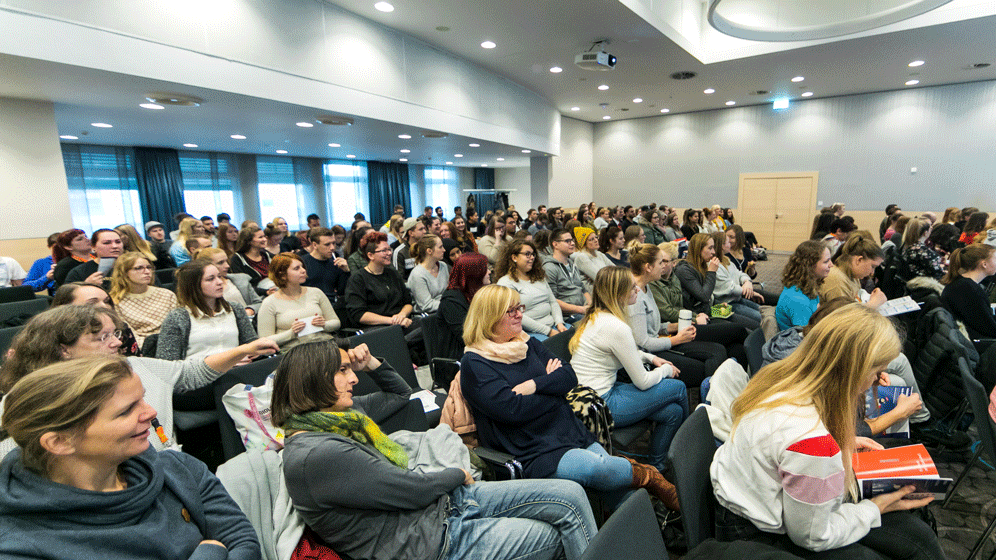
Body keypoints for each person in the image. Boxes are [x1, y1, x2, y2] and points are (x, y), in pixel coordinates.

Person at [271, 340, 596, 560]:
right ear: (313, 379)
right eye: (343, 370)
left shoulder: (344, 418)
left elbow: (401, 394)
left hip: (440, 508)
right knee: (552, 535)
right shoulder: (317, 452)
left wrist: (371, 363)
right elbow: (408, 491)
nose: (353, 378)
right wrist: (457, 474)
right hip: (428, 542)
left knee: (569, 495)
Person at [711, 304, 943, 559]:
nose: (878, 380)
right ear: (853, 372)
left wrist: (841, 442)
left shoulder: (781, 380)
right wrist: (874, 509)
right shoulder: (812, 441)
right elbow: (812, 535)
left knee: (915, 537)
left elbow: (783, 442)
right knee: (910, 544)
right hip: (755, 532)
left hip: (743, 504)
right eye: (876, 371)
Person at [0, 356, 261, 560]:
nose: (151, 412)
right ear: (59, 442)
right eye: (126, 411)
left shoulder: (178, 469)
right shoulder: (18, 543)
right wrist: (210, 553)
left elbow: (243, 541)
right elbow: (228, 546)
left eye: (142, 399)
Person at [460, 284, 680, 511]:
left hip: (565, 428)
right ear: (490, 317)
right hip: (527, 447)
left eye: (519, 307)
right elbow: (513, 410)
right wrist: (554, 391)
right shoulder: (476, 363)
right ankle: (649, 477)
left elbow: (568, 377)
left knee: (611, 482)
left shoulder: (526, 343)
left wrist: (535, 384)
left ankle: (635, 527)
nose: (520, 314)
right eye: (511, 311)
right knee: (598, 469)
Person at [0, 305, 278, 456]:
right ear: (63, 349)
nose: (115, 344)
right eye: (102, 338)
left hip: (164, 466)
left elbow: (190, 372)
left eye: (114, 334)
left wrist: (242, 350)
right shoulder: (29, 397)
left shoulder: (134, 366)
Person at [570, 266, 687, 471]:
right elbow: (642, 382)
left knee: (673, 412)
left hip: (588, 398)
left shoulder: (597, 316)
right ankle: (687, 454)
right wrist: (666, 370)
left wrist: (652, 358)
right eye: (632, 287)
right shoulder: (616, 327)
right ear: (619, 293)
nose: (637, 290)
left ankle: (657, 466)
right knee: (678, 388)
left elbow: (624, 350)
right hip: (602, 405)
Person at [629, 242, 731, 387]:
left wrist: (674, 327)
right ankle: (710, 400)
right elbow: (644, 342)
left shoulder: (646, 287)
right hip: (650, 355)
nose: (663, 267)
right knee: (706, 363)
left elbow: (653, 327)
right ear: (648, 267)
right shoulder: (636, 296)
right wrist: (676, 340)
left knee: (721, 349)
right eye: (660, 263)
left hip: (662, 340)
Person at [156, 259, 260, 361]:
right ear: (194, 285)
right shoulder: (177, 317)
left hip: (237, 372)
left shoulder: (235, 308)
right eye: (210, 279)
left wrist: (252, 352)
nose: (219, 282)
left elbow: (251, 344)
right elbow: (167, 364)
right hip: (198, 375)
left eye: (219, 277)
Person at [344, 231, 419, 337]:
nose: (389, 253)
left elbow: (407, 303)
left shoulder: (392, 273)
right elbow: (359, 315)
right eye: (384, 250)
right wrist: (392, 320)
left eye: (389, 249)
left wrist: (401, 315)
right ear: (370, 255)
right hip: (377, 328)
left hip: (400, 322)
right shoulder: (358, 279)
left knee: (427, 327)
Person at [258, 252, 340, 349]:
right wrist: (291, 333)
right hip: (294, 351)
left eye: (302, 267)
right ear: (282, 275)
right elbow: (265, 341)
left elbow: (336, 322)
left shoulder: (316, 292)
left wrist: (324, 324)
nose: (303, 271)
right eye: (296, 268)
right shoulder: (269, 303)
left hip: (324, 344)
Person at [675, 233, 755, 329]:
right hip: (699, 317)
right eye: (710, 248)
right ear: (699, 249)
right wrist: (711, 272)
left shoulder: (702, 265)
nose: (713, 252)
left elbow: (709, 296)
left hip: (711, 309)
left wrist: (717, 304)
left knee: (753, 325)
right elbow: (704, 296)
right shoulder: (684, 270)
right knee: (740, 330)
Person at [495, 239, 568, 339]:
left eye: (533, 254)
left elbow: (553, 302)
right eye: (527, 254)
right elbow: (515, 315)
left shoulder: (539, 277)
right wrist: (548, 331)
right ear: (514, 257)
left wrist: (559, 323)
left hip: (554, 327)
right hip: (530, 332)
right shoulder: (505, 283)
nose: (532, 258)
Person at [50, 282, 143, 356]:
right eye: (92, 303)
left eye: (106, 301)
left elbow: (137, 365)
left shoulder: (121, 328)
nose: (104, 306)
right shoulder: (51, 335)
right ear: (65, 307)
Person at [108, 251, 177, 346]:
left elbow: (177, 326)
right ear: (124, 272)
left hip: (173, 342)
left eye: (149, 267)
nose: (147, 272)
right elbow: (129, 335)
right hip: (142, 347)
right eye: (139, 268)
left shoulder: (167, 294)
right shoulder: (115, 301)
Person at [438, 252, 489, 359]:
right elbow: (467, 337)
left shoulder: (481, 293)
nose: (489, 272)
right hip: (462, 355)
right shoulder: (451, 301)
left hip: (483, 348)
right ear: (474, 274)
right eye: (485, 269)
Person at [940, 243, 996, 339]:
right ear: (984, 264)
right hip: (973, 344)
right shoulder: (969, 290)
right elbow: (989, 329)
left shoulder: (963, 284)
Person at [775, 240, 833, 330]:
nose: (831, 265)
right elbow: (807, 337)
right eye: (826, 262)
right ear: (809, 266)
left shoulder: (805, 287)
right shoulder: (798, 301)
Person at [711, 231, 763, 328]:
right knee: (761, 319)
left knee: (765, 312)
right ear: (722, 246)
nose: (730, 243)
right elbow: (728, 287)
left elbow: (740, 274)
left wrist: (747, 282)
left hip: (737, 298)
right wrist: (747, 290)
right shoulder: (713, 264)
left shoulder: (725, 259)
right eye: (727, 242)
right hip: (726, 304)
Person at [819, 234, 887, 307]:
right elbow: (844, 316)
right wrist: (873, 304)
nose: (872, 273)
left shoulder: (853, 276)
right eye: (873, 266)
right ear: (859, 260)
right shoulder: (836, 279)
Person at [197, 247, 262, 317]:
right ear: (207, 266)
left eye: (227, 261)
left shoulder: (241, 280)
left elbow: (259, 303)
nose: (227, 266)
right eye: (220, 263)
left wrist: (249, 310)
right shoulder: (202, 288)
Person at [544, 229, 590, 320]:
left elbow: (583, 290)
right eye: (567, 241)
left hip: (581, 310)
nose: (572, 243)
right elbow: (552, 300)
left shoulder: (571, 263)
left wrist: (591, 306)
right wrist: (580, 309)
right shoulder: (549, 268)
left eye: (572, 240)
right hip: (567, 316)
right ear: (555, 244)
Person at [302, 227, 350, 304]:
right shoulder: (302, 263)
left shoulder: (336, 263)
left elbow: (342, 292)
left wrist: (346, 271)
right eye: (327, 244)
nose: (332, 248)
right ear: (314, 245)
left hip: (331, 304)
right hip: (309, 304)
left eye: (333, 243)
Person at [407, 234, 449, 313]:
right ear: (429, 251)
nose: (444, 250)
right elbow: (426, 305)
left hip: (444, 309)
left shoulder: (443, 266)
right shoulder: (418, 274)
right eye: (440, 247)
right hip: (428, 315)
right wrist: (450, 304)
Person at [229, 225, 274, 296]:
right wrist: (265, 292)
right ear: (249, 241)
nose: (265, 239)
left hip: (273, 290)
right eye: (260, 237)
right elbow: (243, 286)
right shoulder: (237, 259)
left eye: (264, 236)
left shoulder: (266, 254)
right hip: (256, 296)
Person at [393, 217, 426, 281]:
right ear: (411, 233)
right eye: (421, 229)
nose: (424, 231)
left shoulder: (427, 248)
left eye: (424, 228)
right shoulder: (400, 252)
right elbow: (399, 279)